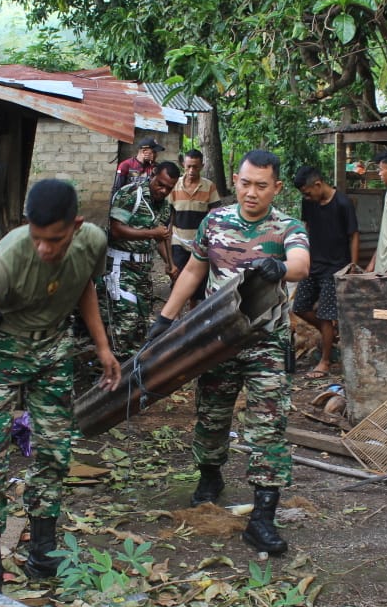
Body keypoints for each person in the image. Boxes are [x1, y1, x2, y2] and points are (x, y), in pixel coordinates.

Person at [0, 180, 121, 593]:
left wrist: (103, 347)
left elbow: (83, 286)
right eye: (37, 238)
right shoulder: (4, 261)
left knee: (55, 452)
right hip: (3, 356)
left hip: (54, 350)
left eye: (54, 240)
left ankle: (42, 552)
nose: (44, 249)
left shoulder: (92, 242)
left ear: (76, 226)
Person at [149, 150, 309, 555]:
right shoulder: (215, 221)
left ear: (276, 188)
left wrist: (280, 269)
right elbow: (193, 271)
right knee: (212, 415)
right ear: (235, 181)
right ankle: (210, 475)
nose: (251, 192)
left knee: (267, 426)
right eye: (245, 183)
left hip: (267, 344)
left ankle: (263, 517)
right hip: (217, 341)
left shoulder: (287, 226)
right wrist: (164, 322)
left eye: (260, 185)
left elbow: (301, 264)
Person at [102, 160, 179, 359]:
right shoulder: (131, 194)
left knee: (142, 323)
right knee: (127, 321)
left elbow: (161, 238)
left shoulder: (164, 206)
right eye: (160, 184)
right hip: (121, 267)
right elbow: (116, 229)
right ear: (152, 174)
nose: (163, 190)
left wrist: (171, 265)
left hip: (143, 271)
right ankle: (117, 373)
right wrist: (151, 232)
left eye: (168, 188)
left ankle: (134, 371)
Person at [292, 165, 359, 379]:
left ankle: (325, 361)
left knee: (326, 314)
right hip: (313, 264)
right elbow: (307, 227)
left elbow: (353, 235)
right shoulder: (308, 203)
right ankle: (328, 332)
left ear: (318, 184)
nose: (307, 197)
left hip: (336, 268)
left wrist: (353, 266)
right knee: (300, 307)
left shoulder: (343, 203)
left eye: (308, 192)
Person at [168, 149, 218, 305]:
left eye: (195, 167)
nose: (191, 170)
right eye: (188, 166)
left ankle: (193, 316)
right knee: (177, 278)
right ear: (183, 164)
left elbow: (215, 215)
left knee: (198, 283)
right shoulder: (174, 186)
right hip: (179, 241)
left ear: (202, 166)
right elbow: (168, 216)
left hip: (200, 243)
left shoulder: (209, 187)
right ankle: (174, 319)